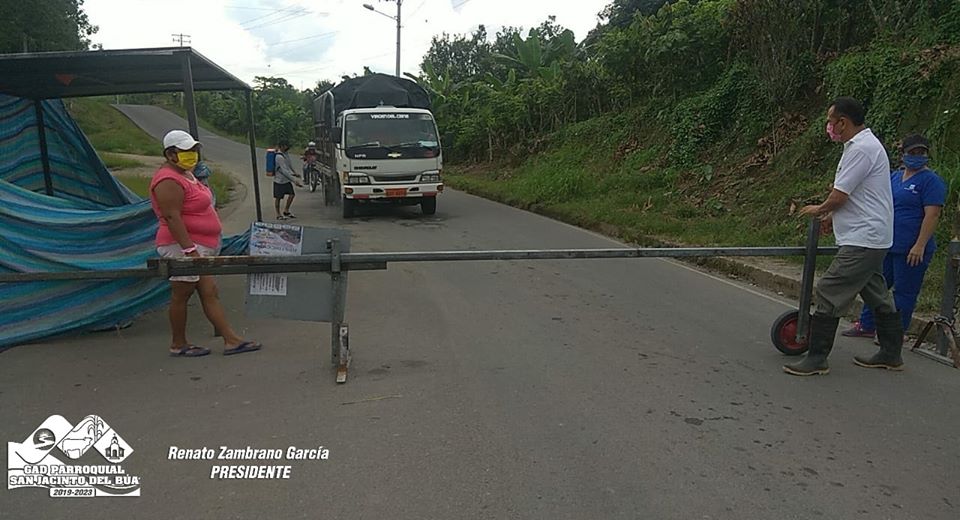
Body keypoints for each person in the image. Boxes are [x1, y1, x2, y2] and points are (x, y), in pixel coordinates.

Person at [784, 97, 903, 376]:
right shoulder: (863, 146)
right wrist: (831, 217)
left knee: (830, 289)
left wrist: (820, 209)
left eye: (830, 120)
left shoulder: (861, 149)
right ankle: (891, 353)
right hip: (870, 235)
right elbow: (859, 195)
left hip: (864, 238)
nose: (828, 126)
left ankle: (817, 358)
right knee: (876, 293)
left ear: (842, 122)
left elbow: (840, 195)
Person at [150, 130, 262, 357]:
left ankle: (231, 340)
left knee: (209, 292)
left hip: (199, 247)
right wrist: (189, 250)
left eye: (193, 150)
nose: (191, 154)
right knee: (182, 294)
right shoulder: (167, 180)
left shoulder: (186, 174)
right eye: (185, 151)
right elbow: (172, 216)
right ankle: (178, 343)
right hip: (182, 247)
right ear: (170, 154)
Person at [841, 134, 947, 340]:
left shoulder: (931, 181)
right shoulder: (894, 178)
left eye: (921, 152)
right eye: (913, 152)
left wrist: (920, 245)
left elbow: (932, 214)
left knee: (904, 292)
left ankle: (895, 333)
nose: (917, 156)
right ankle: (867, 324)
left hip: (911, 248)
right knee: (876, 286)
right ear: (903, 154)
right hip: (887, 243)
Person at [273, 139, 302, 220]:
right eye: (286, 146)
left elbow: (289, 165)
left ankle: (286, 211)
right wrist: (294, 180)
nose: (287, 147)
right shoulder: (279, 157)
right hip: (279, 180)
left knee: (292, 195)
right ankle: (278, 214)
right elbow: (284, 171)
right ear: (282, 146)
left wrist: (294, 173)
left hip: (286, 180)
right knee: (278, 198)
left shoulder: (285, 154)